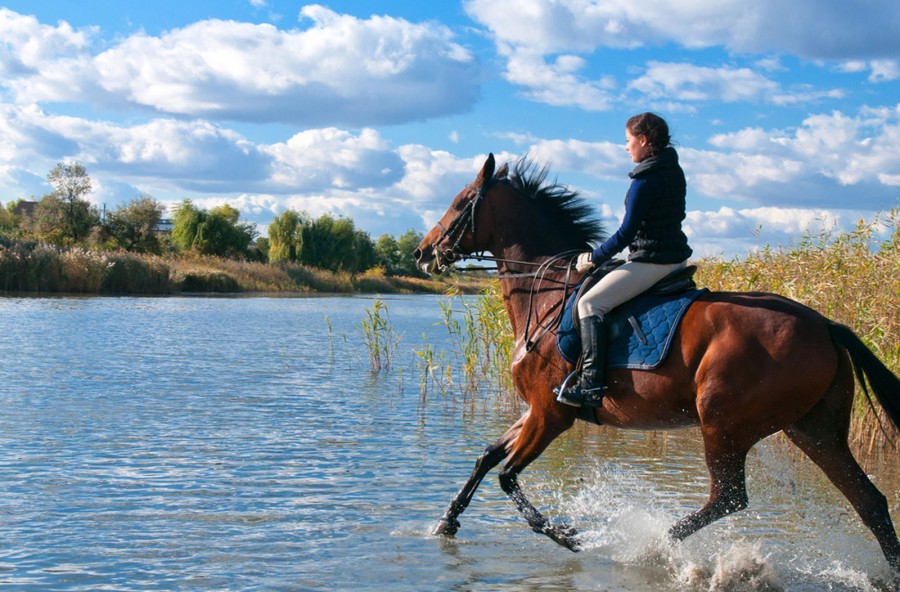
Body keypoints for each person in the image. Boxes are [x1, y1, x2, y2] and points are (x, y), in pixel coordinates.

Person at [557, 112, 693, 408]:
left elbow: (626, 233)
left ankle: (590, 386)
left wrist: (594, 257)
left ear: (643, 140)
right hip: (674, 260)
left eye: (628, 140)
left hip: (652, 262)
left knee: (589, 304)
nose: (626, 146)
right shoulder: (673, 170)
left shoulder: (646, 179)